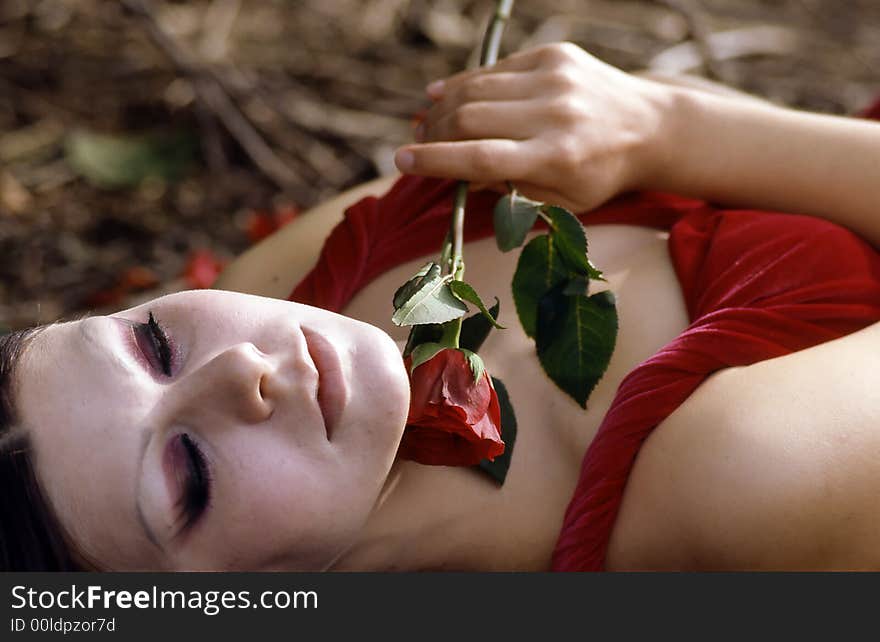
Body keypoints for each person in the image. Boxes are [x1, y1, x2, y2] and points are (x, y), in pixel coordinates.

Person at [2, 42, 880, 571]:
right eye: (189, 472)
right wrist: (670, 131)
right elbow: (725, 135)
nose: (239, 368)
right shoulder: (728, 492)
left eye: (150, 344)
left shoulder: (301, 284)